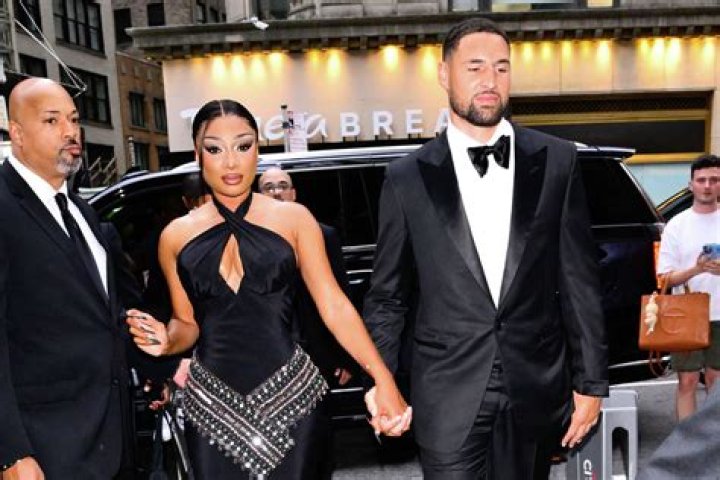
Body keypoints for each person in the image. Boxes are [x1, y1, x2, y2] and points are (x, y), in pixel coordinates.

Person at [363, 17, 608, 479]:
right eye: (474, 67)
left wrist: (591, 382)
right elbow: (388, 296)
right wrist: (381, 380)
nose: (490, 80)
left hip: (534, 381)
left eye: (501, 67)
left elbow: (579, 279)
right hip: (446, 389)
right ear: (444, 74)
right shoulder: (406, 178)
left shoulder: (557, 160)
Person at [126, 99, 411, 479]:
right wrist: (165, 342)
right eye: (215, 149)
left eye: (243, 146)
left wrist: (382, 377)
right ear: (197, 154)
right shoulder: (175, 236)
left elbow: (334, 305)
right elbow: (186, 324)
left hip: (292, 397)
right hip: (212, 407)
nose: (231, 162)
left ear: (258, 149)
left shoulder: (294, 219)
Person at [0, 78, 130, 478]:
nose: (70, 132)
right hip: (43, 447)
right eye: (52, 121)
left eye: (74, 119)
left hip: (109, 438)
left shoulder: (81, 211)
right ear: (17, 133)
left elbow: (99, 318)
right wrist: (10, 451)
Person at [258, 166, 357, 387]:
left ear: (293, 193)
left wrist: (346, 355)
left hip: (317, 352)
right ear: (259, 197)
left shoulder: (323, 234)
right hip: (268, 355)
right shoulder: (247, 239)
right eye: (268, 188)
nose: (276, 192)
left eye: (283, 186)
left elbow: (341, 296)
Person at [656, 154, 720, 421]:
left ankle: (714, 441)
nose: (707, 185)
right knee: (687, 382)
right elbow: (664, 278)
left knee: (717, 383)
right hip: (685, 315)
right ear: (691, 184)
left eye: (714, 180)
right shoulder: (676, 225)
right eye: (701, 180)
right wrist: (697, 269)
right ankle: (687, 442)